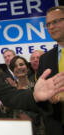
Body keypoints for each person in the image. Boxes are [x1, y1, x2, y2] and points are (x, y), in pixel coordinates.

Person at [37, 6, 64, 135]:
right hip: (55, 127)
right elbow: (38, 93)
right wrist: (48, 96)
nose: (51, 27)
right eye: (48, 24)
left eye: (56, 21)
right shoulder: (44, 59)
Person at [10, 56, 45, 135]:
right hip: (17, 130)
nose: (19, 67)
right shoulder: (11, 92)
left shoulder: (36, 88)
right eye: (15, 66)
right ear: (13, 71)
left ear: (27, 68)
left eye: (21, 64)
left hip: (37, 130)